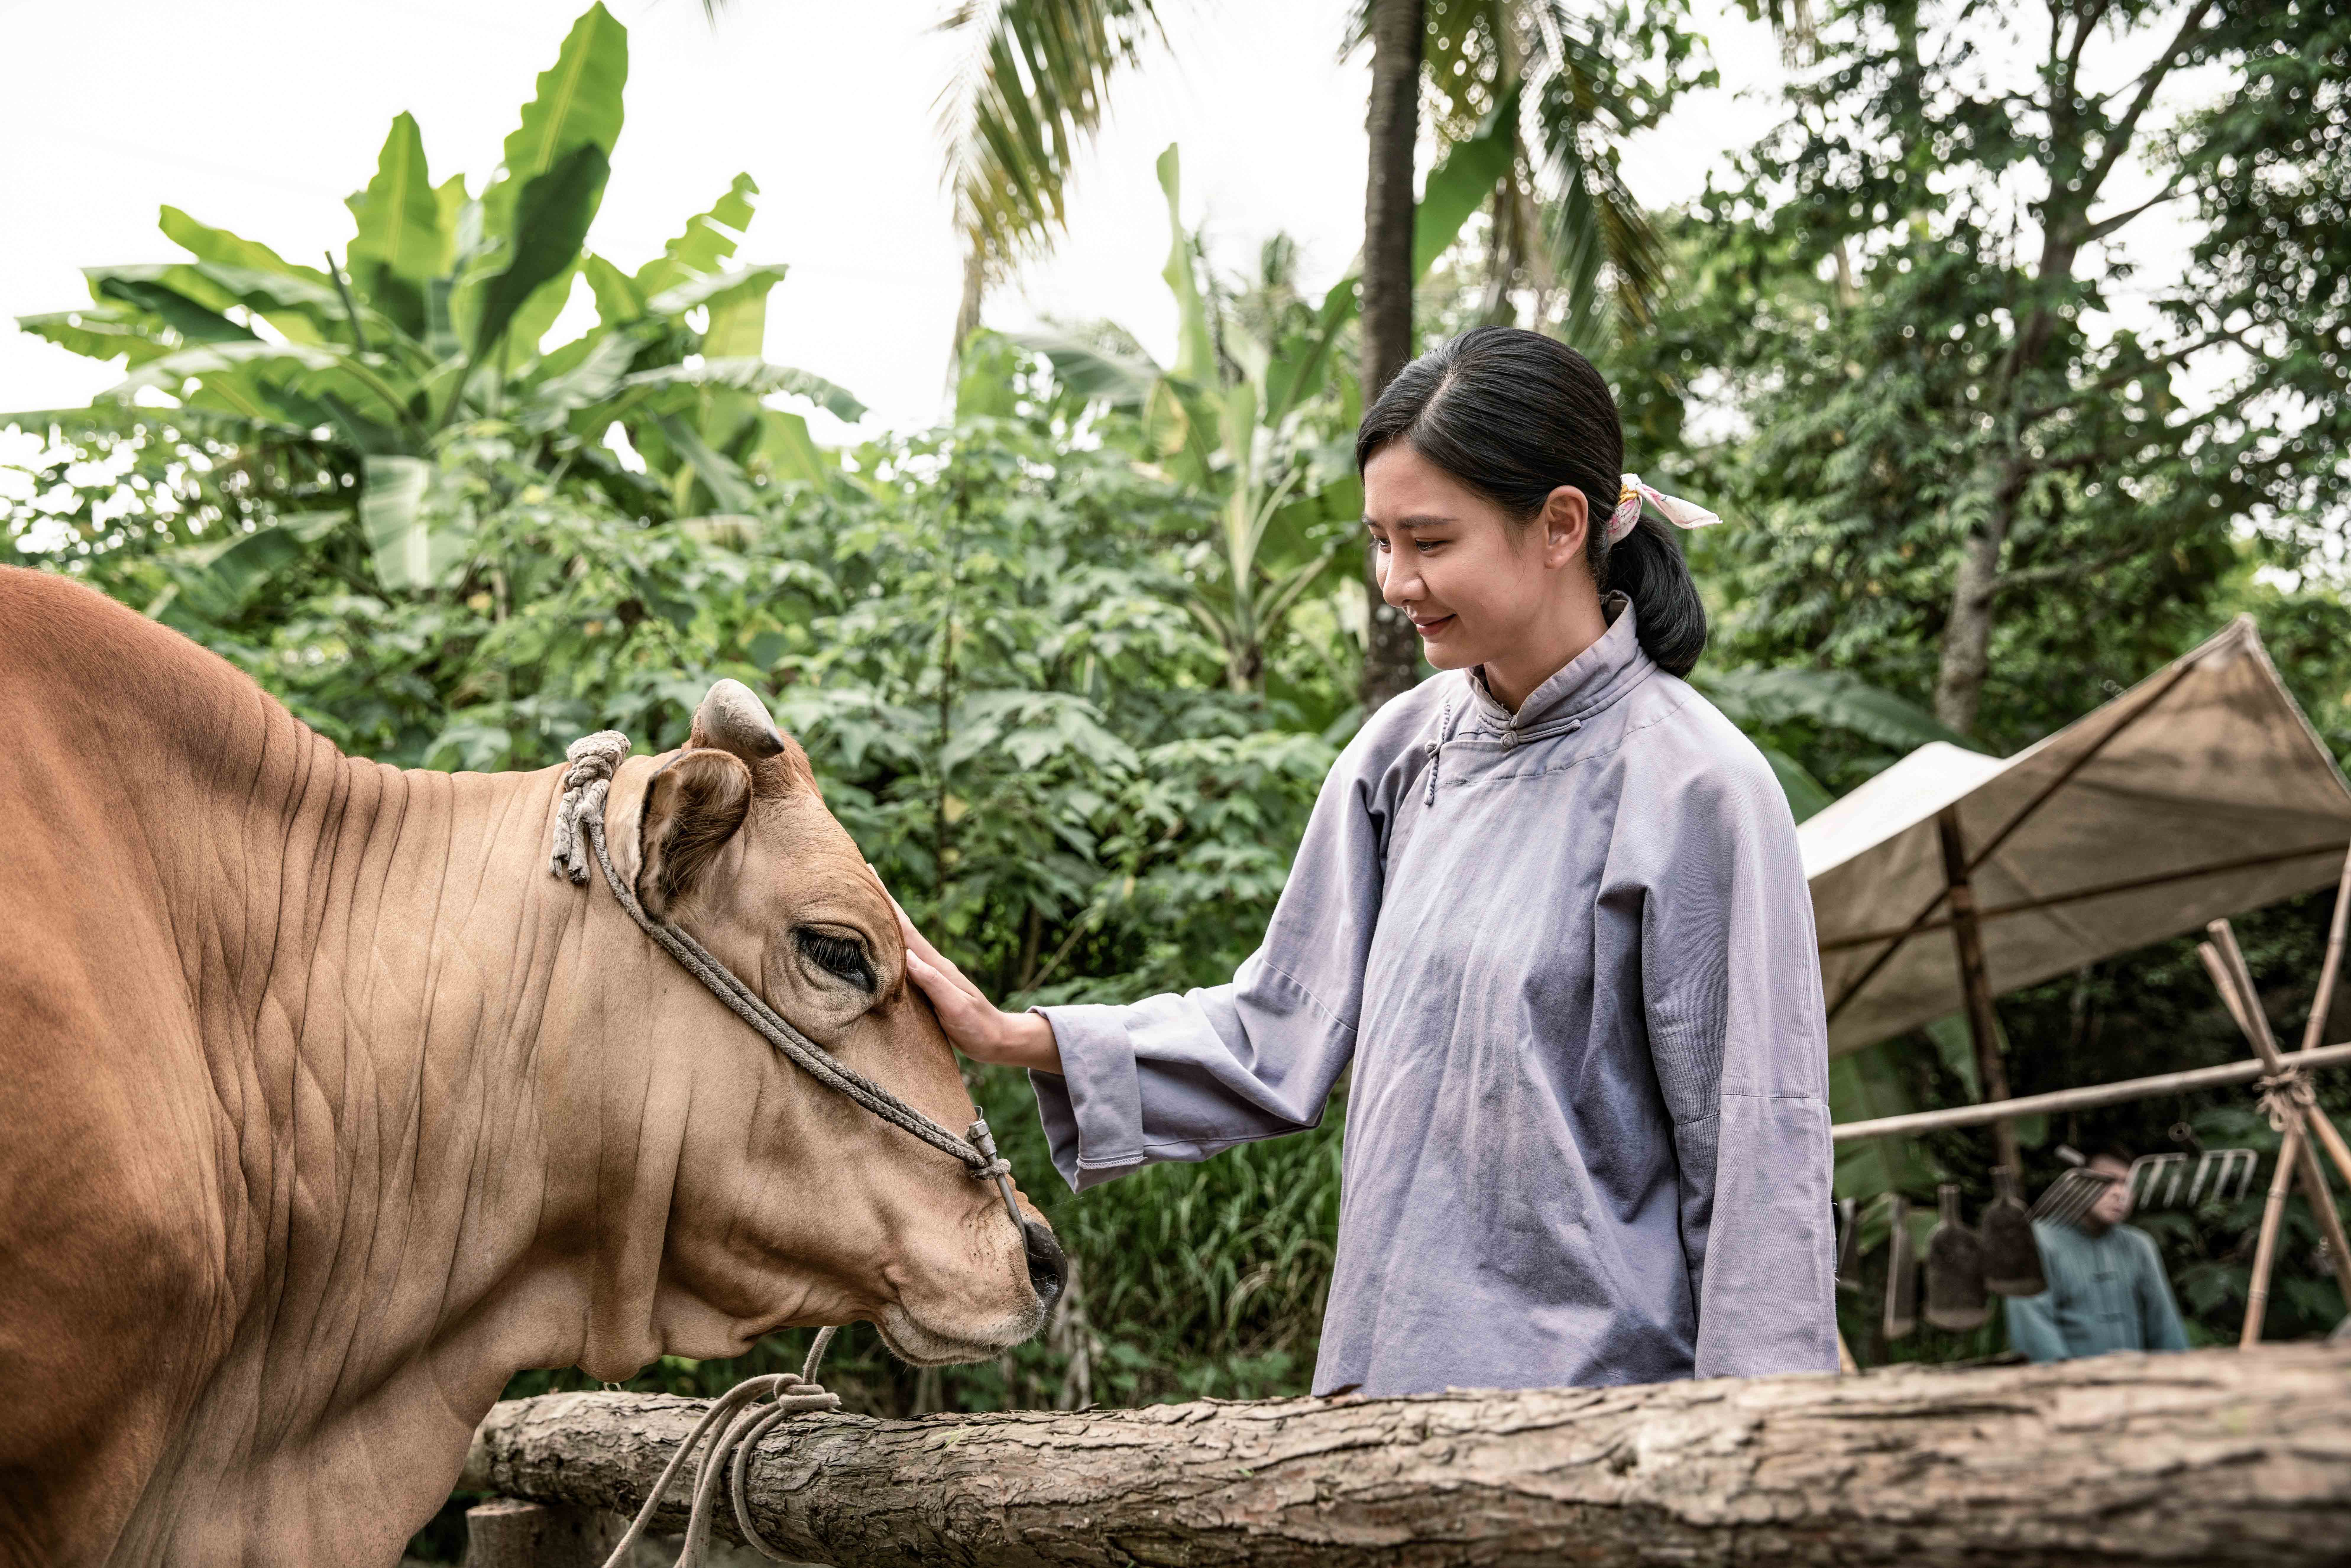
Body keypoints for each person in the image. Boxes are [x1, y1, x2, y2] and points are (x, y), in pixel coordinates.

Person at [898, 326, 1838, 1396]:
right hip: (1375, 1394)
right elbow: (1277, 1029)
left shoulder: (1697, 787)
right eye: (1379, 541)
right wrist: (1012, 1036)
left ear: (1559, 525)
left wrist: (1759, 1440)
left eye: (1428, 541)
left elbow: (1756, 1149)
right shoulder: (1400, 751)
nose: (1394, 581)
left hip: (1595, 1425)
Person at [2005, 1148, 2190, 1361]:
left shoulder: (2139, 1245)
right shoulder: (2034, 1241)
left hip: (2136, 1379)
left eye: (2128, 1184)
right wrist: (2067, 1377)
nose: (2120, 1193)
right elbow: (2034, 1328)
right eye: (2108, 1181)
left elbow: (2165, 1325)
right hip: (2066, 1379)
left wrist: (2181, 1369)